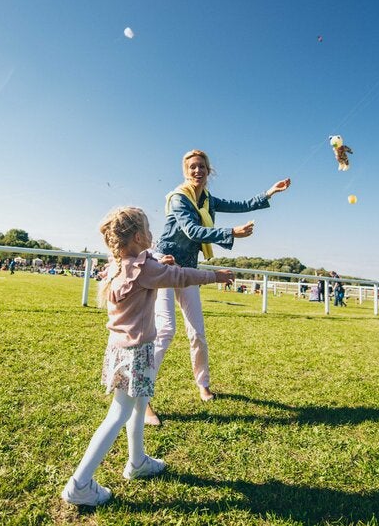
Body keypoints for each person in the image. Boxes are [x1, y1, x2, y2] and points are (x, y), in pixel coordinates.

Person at [61, 207, 232, 507]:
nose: (154, 233)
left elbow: (149, 267)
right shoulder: (144, 269)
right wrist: (214, 275)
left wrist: (157, 261)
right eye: (149, 228)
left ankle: (137, 461)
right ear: (140, 237)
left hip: (119, 349)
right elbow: (180, 276)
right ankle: (80, 484)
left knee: (139, 405)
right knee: (119, 414)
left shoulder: (119, 264)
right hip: (135, 351)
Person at [148, 149, 290, 425]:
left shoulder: (209, 200)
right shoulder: (179, 198)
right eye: (192, 167)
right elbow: (192, 231)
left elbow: (241, 204)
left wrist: (270, 193)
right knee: (165, 330)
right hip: (165, 264)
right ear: (185, 171)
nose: (197, 171)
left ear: (208, 170)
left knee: (197, 332)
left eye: (202, 166)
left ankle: (203, 384)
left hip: (189, 267)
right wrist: (230, 232)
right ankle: (143, 396)